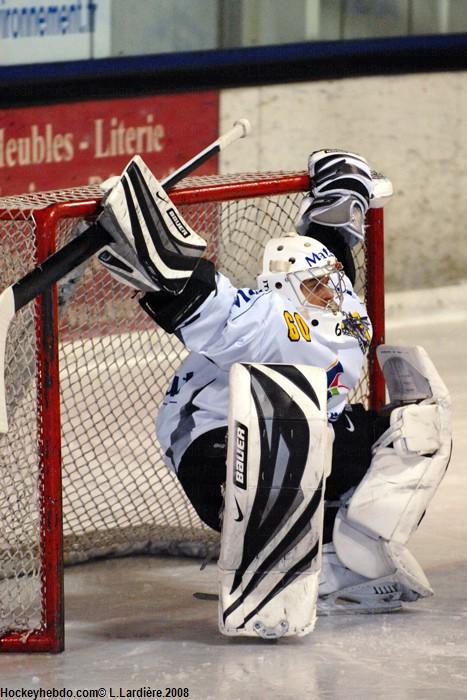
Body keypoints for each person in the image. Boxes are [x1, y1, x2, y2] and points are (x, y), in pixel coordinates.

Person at [96, 149, 452, 615]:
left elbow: (332, 244)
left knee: (415, 429)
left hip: (293, 435)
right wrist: (144, 233)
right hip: (218, 453)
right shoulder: (269, 320)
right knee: (299, 444)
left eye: (330, 280)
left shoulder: (339, 302)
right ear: (284, 290)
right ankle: (269, 578)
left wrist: (345, 185)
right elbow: (196, 295)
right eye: (315, 285)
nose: (330, 291)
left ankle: (344, 556)